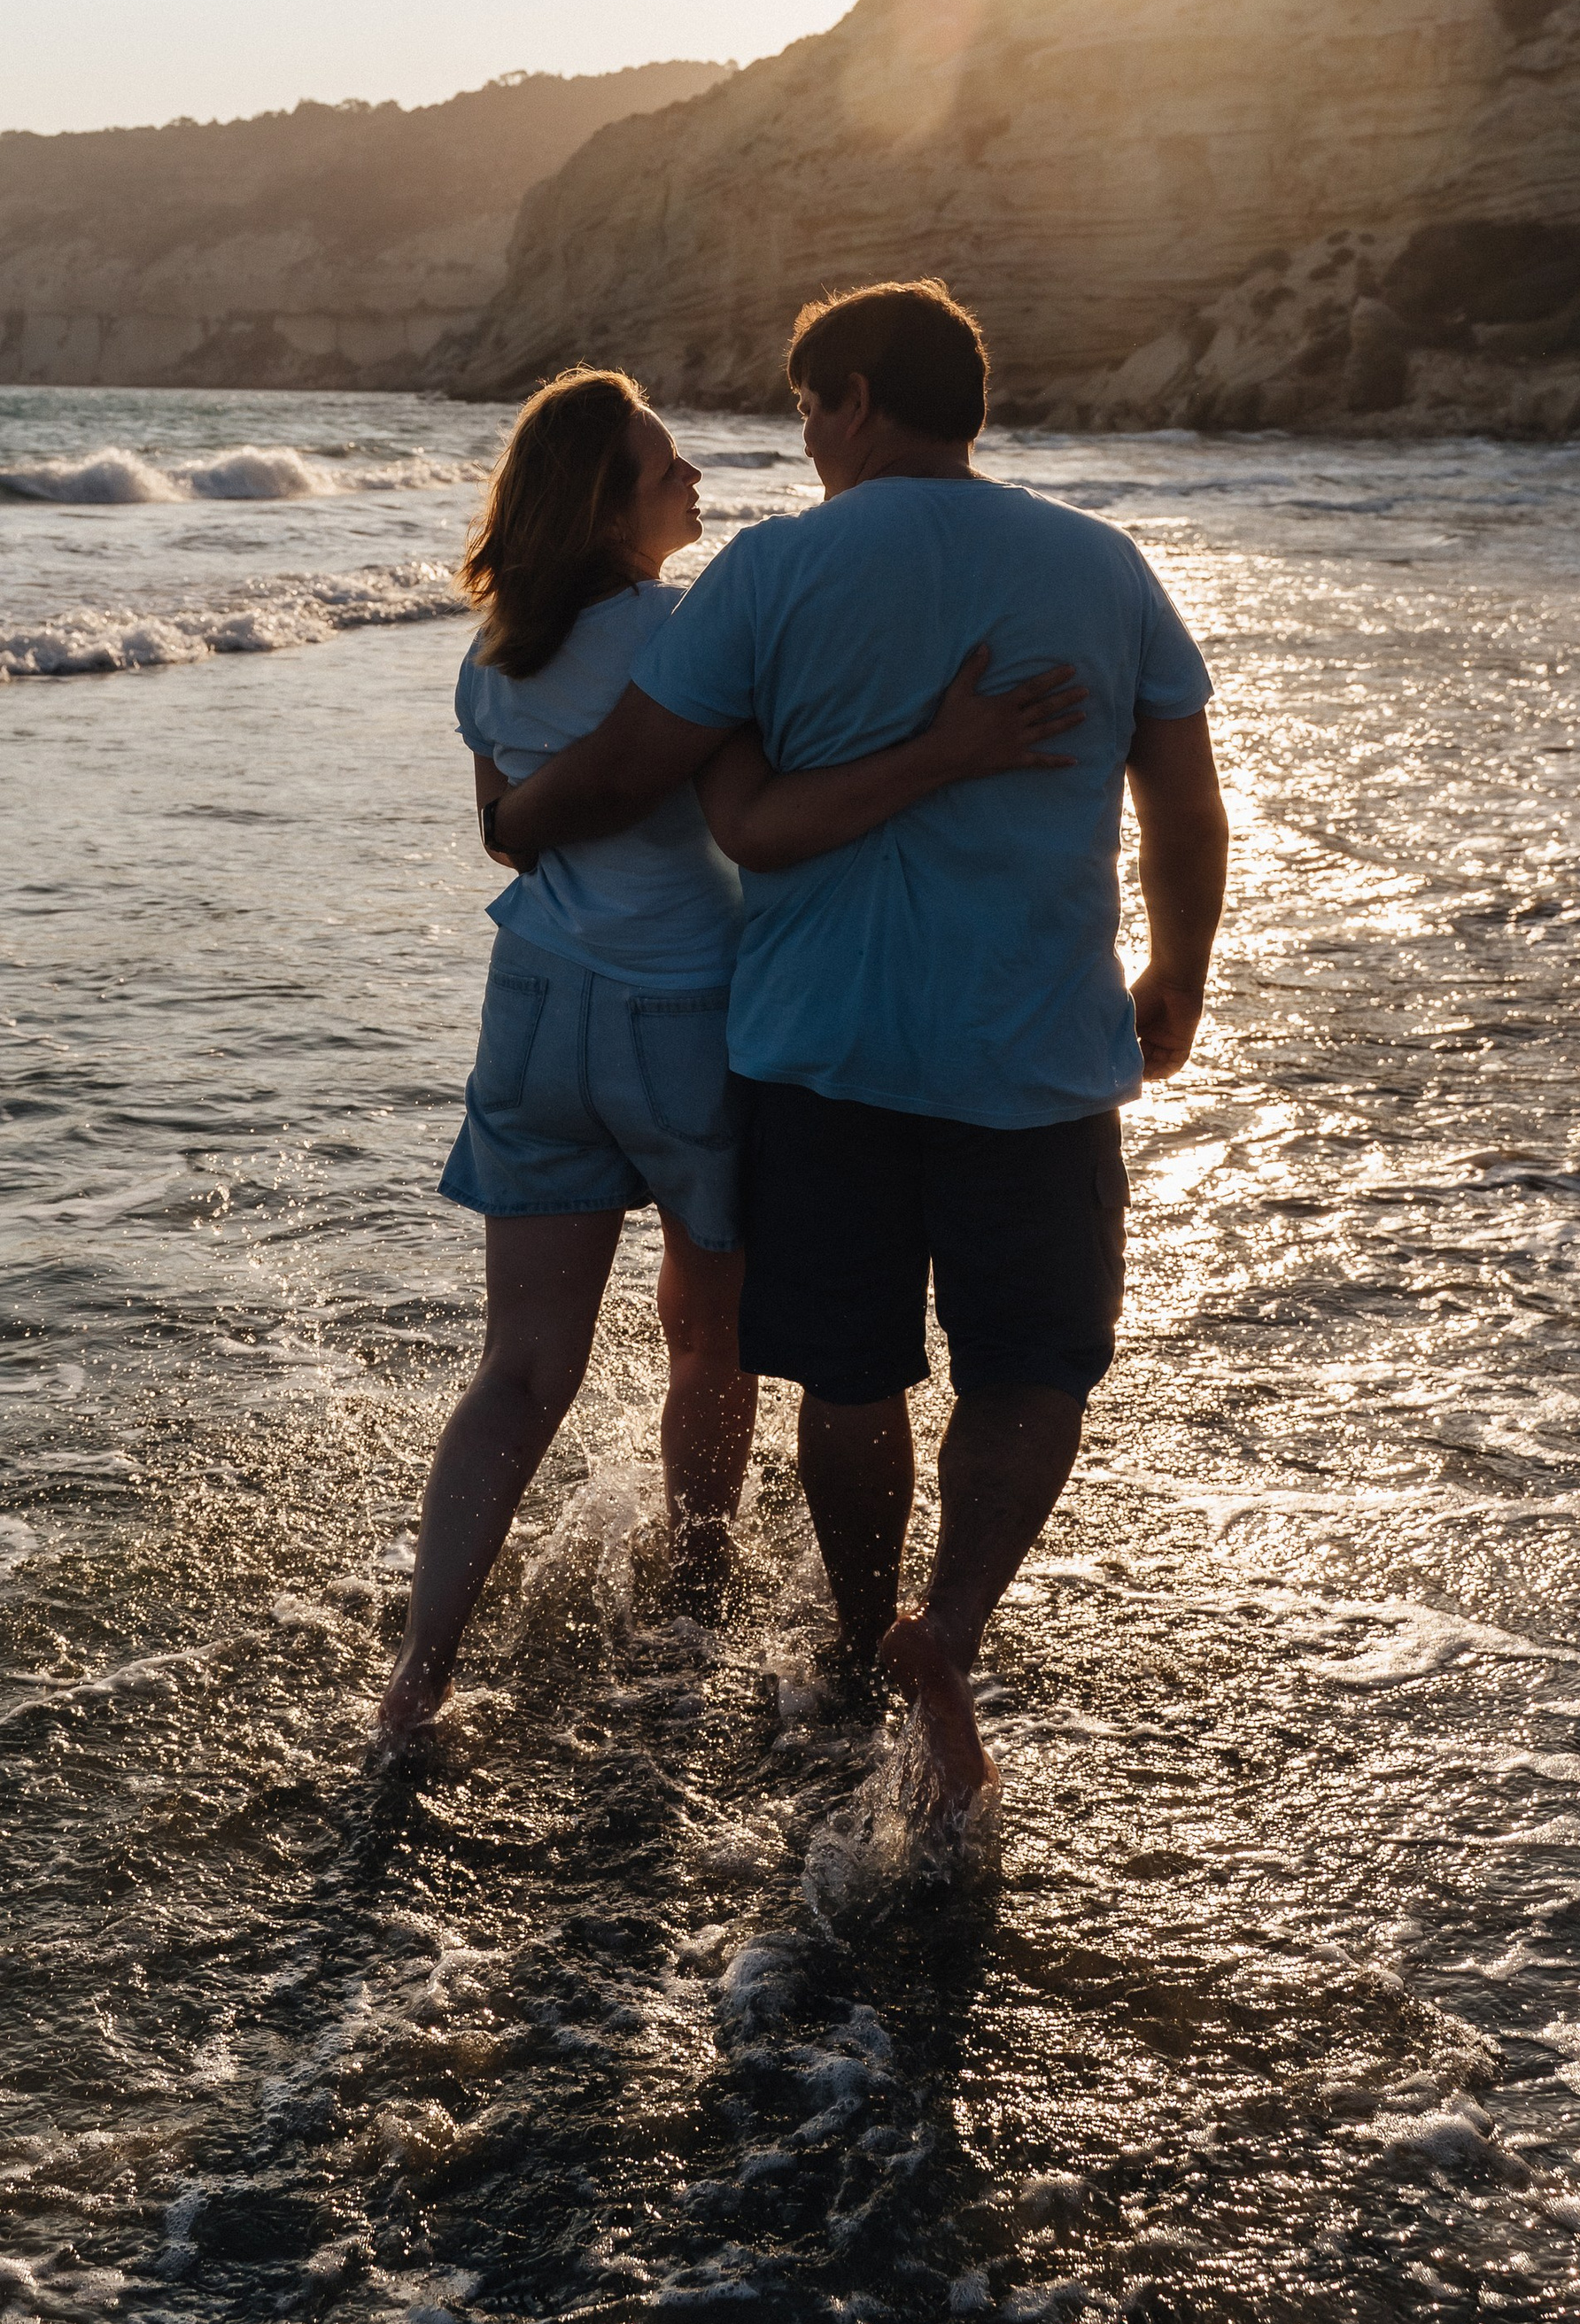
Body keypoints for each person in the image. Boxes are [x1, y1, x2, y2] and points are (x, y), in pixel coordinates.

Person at [486, 283, 1228, 1811]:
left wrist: (516, 816)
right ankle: (945, 1632)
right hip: (1037, 1055)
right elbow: (1185, 801)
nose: (806, 436)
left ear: (861, 399)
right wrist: (1179, 976)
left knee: (847, 1374)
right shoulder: (1103, 565)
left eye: (811, 406)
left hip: (818, 1057)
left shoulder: (773, 575)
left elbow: (636, 767)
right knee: (1032, 1370)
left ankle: (849, 1627)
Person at [378, 364, 1087, 1737]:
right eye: (663, 468)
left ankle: (420, 1672)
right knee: (709, 1336)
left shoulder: (491, 653)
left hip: (531, 1009)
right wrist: (955, 743)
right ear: (604, 509)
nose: (694, 478)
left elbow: (505, 831)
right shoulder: (689, 627)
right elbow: (759, 802)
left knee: (520, 1368)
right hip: (689, 1016)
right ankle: (696, 1589)